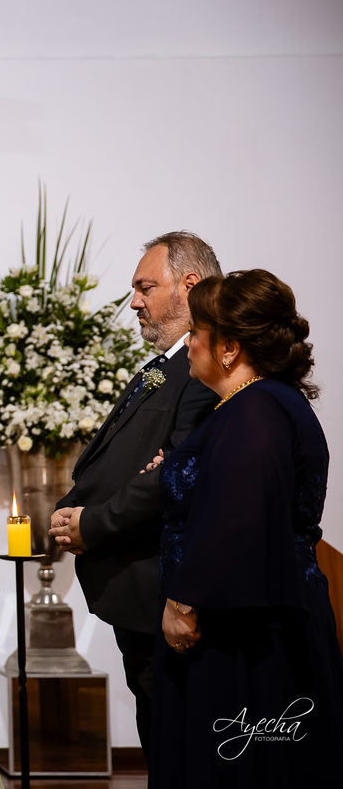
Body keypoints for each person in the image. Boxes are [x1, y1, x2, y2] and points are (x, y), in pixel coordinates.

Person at [147, 270, 343, 786]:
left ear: (229, 347)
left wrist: (183, 602)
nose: (188, 342)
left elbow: (241, 515)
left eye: (197, 332)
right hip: (248, 620)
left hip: (242, 635)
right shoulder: (252, 406)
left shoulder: (255, 409)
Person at [48, 232, 221, 761]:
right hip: (135, 588)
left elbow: (175, 474)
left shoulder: (203, 370)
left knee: (180, 737)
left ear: (189, 285)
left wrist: (92, 524)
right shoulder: (167, 365)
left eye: (146, 287)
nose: (135, 302)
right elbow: (130, 458)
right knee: (159, 731)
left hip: (162, 588)